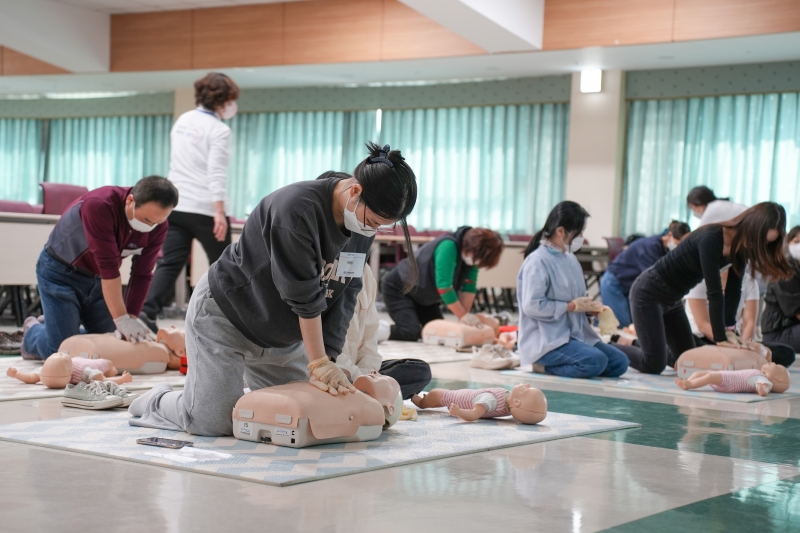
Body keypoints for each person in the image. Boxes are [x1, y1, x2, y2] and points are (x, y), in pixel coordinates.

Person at [128, 144, 419, 437]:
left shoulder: (360, 226)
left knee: (303, 414)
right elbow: (305, 298)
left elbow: (346, 291)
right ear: (355, 191)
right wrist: (317, 363)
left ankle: (226, 392)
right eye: (373, 222)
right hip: (227, 316)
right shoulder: (295, 209)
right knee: (211, 423)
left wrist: (329, 359)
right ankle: (158, 400)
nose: (372, 230)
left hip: (282, 337)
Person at [21, 177, 179, 360]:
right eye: (146, 219)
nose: (150, 227)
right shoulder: (99, 204)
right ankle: (33, 332)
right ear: (130, 201)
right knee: (62, 353)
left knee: (113, 344)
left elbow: (142, 274)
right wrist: (121, 319)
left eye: (157, 222)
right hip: (60, 274)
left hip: (98, 280)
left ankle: (58, 326)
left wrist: (130, 318)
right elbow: (108, 267)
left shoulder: (159, 226)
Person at [628, 202, 792, 375]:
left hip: (673, 300)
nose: (758, 245)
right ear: (751, 226)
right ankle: (612, 347)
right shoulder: (712, 237)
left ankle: (653, 349)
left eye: (766, 243)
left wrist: (729, 330)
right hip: (649, 293)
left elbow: (733, 291)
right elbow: (714, 292)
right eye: (760, 239)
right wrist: (720, 338)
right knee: (653, 365)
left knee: (689, 360)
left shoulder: (741, 249)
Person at [140, 72, 240, 332]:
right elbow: (216, 173)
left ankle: (146, 314)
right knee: (225, 265)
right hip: (205, 209)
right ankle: (230, 321)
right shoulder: (219, 130)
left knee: (170, 263)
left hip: (176, 205)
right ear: (222, 101)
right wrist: (219, 212)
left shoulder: (183, 120)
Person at [516, 201, 629, 378]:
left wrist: (591, 309)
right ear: (561, 231)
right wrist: (571, 306)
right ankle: (542, 367)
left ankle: (579, 362)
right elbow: (532, 306)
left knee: (620, 363)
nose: (581, 237)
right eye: (579, 232)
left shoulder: (570, 259)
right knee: (596, 361)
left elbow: (576, 301)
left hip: (573, 335)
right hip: (547, 339)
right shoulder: (537, 262)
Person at [382, 227, 504, 341]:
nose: (477, 262)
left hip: (424, 298)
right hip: (399, 288)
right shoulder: (448, 246)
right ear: (472, 246)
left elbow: (469, 288)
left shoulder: (473, 258)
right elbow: (444, 287)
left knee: (438, 332)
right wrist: (463, 316)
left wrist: (464, 319)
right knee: (410, 332)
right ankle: (376, 330)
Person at [335, 265, 431, 400]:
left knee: (419, 372)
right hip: (329, 370)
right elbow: (326, 351)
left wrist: (367, 379)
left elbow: (370, 338)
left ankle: (362, 395)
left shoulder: (365, 271)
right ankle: (367, 395)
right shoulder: (327, 267)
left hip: (357, 373)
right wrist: (361, 381)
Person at [685, 267, 795, 367]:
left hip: (735, 341)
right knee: (684, 347)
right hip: (703, 339)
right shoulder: (700, 279)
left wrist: (743, 348)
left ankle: (726, 361)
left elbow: (749, 323)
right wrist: (724, 342)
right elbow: (703, 324)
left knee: (785, 352)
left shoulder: (749, 281)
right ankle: (734, 362)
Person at [601, 221, 691, 327]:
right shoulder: (650, 247)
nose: (680, 246)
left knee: (633, 323)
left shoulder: (664, 249)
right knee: (621, 323)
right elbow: (655, 278)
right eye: (680, 242)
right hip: (614, 282)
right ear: (670, 234)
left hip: (628, 286)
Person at [761, 226, 800, 352]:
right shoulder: (786, 271)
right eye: (797, 242)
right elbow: (796, 310)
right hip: (778, 334)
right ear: (788, 244)